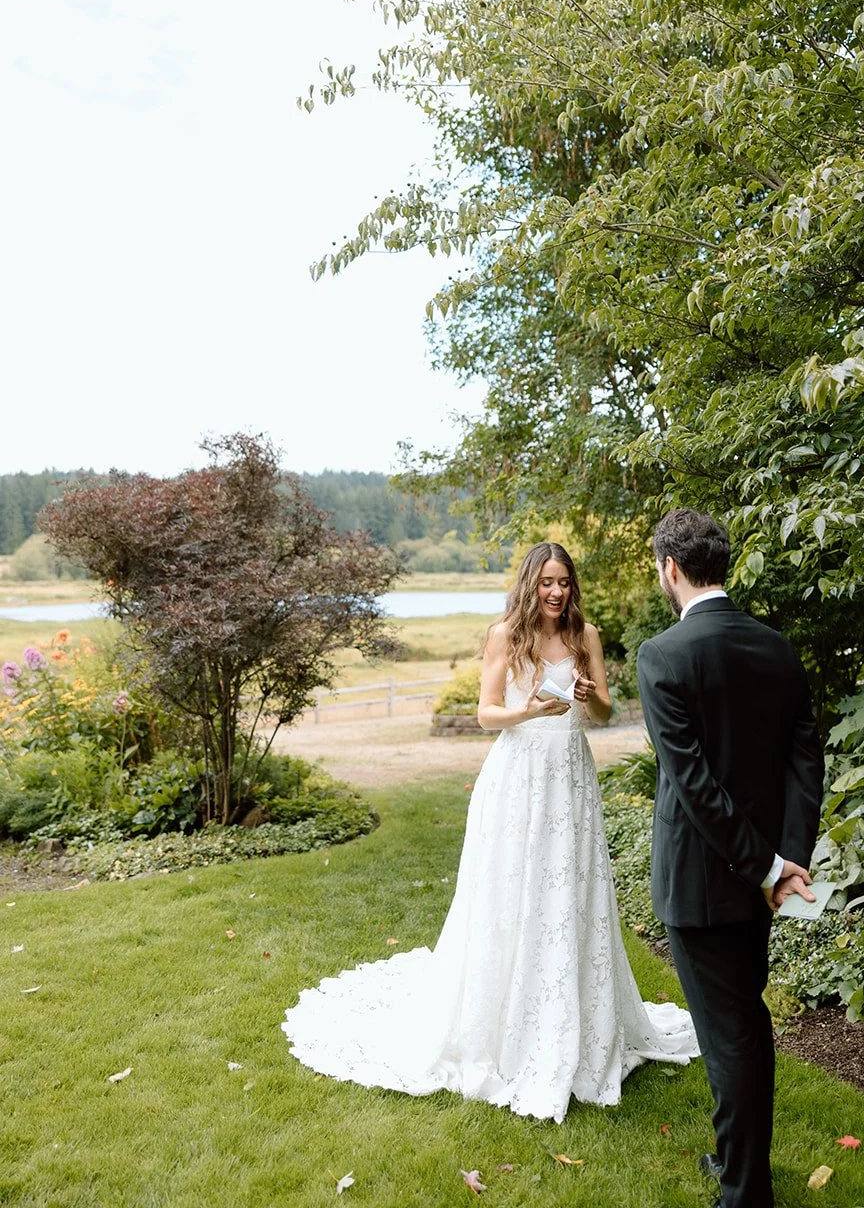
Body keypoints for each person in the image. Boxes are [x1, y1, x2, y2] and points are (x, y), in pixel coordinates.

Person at [283, 540, 698, 1122]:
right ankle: (502, 1023)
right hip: (518, 775)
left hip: (570, 779)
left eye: (564, 583)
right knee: (509, 893)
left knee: (569, 892)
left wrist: (586, 696)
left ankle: (574, 1018)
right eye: (547, 582)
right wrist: (529, 708)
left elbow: (605, 711)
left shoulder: (588, 636)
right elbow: (485, 714)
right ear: (531, 582)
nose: (557, 593)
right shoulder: (505, 634)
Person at [638, 510, 824, 1208]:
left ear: (671, 569)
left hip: (703, 882)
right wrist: (787, 860)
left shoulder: (663, 655)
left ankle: (744, 1192)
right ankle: (735, 1163)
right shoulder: (775, 646)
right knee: (740, 1022)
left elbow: (693, 789)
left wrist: (769, 868)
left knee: (732, 1038)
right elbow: (805, 759)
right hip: (761, 881)